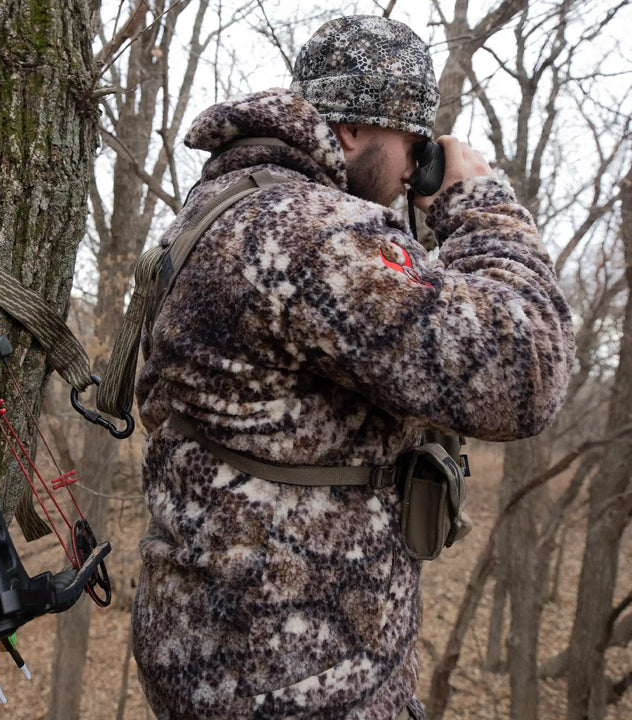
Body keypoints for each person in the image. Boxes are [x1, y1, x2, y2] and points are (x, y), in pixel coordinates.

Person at [132, 15, 574, 720]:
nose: (411, 171)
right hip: (298, 678)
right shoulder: (315, 235)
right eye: (410, 142)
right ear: (350, 133)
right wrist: (480, 207)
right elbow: (527, 374)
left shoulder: (230, 208)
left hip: (221, 651)